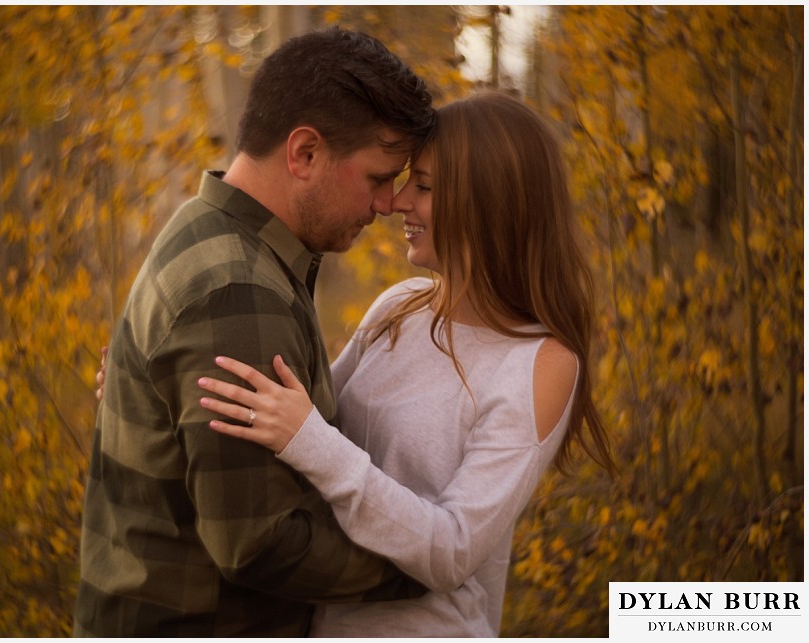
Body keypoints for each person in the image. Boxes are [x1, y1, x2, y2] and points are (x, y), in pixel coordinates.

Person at [194, 91, 616, 637]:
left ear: (488, 203)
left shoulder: (541, 363)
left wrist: (311, 441)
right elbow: (297, 420)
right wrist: (170, 384)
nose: (396, 204)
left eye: (425, 187)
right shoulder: (398, 307)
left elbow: (452, 550)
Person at [74, 28, 435, 637]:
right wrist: (428, 564)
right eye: (377, 178)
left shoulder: (212, 233)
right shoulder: (236, 289)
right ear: (304, 154)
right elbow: (261, 542)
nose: (385, 204)